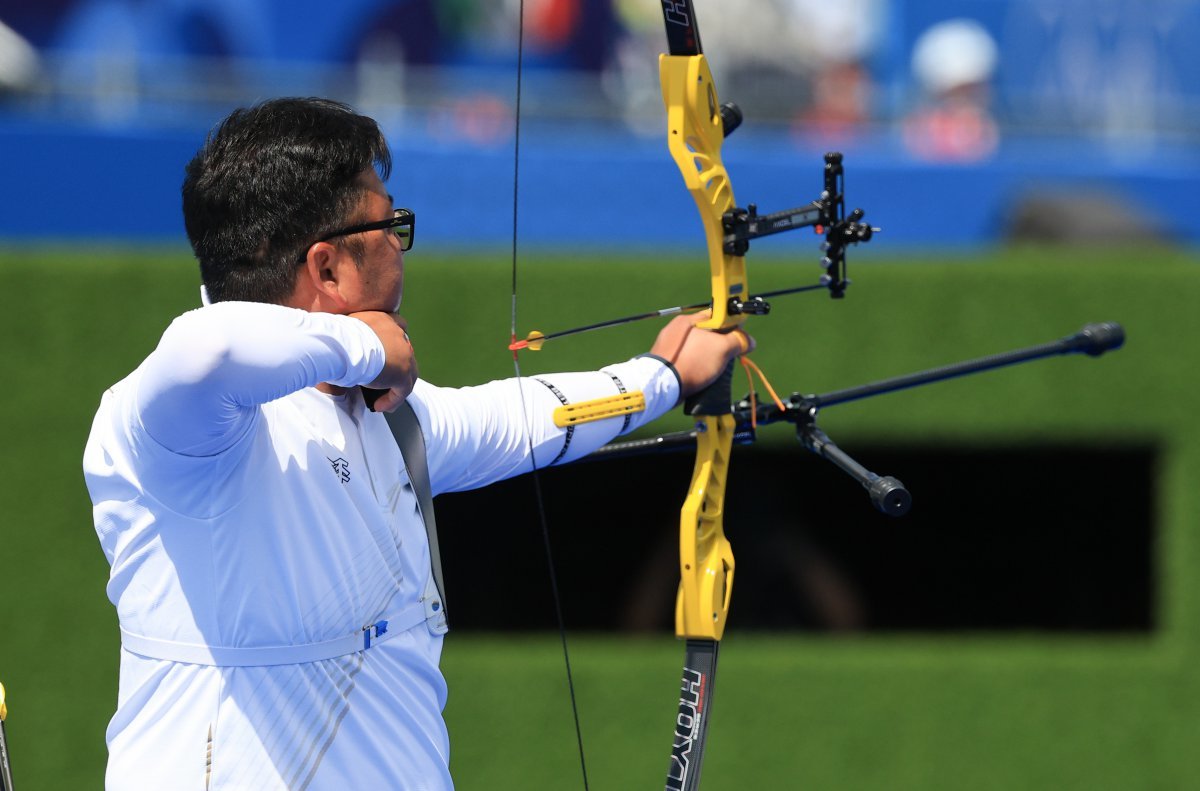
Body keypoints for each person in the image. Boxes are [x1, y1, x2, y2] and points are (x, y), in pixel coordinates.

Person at [82, 97, 749, 790]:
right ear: (328, 267)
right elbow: (207, 346)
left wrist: (663, 376)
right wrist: (365, 345)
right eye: (391, 225)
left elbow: (523, 418)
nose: (401, 246)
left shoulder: (392, 421)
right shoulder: (183, 431)